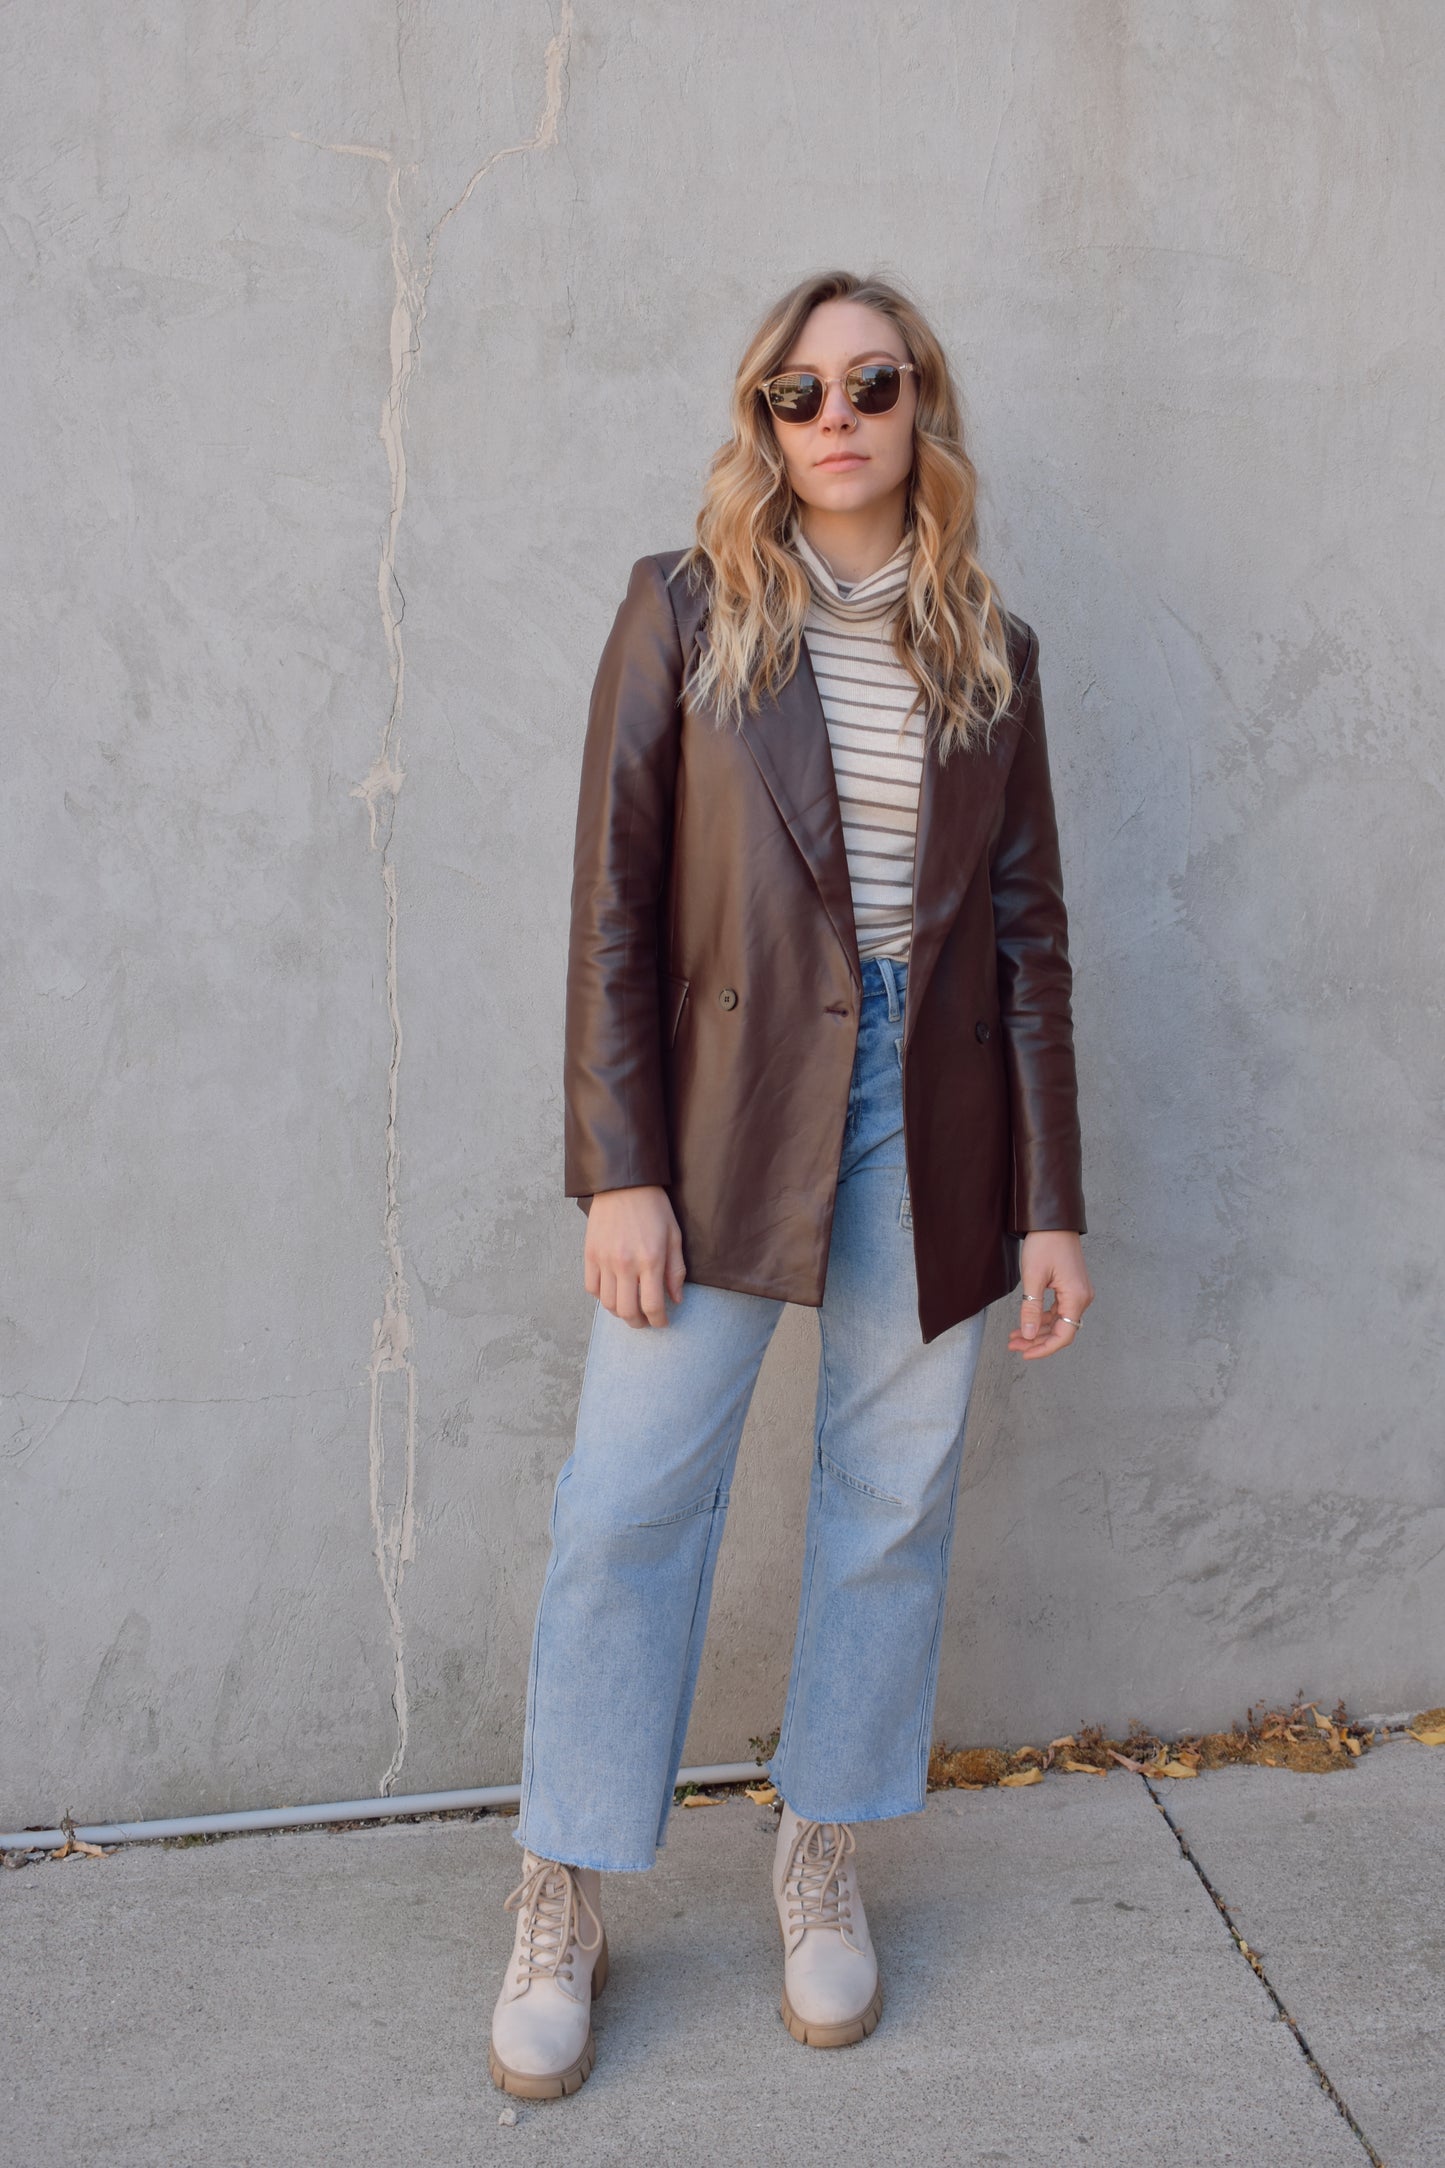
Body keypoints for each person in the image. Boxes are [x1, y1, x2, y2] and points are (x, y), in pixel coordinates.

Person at [489, 268, 1093, 2099]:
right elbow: (612, 903)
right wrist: (621, 1168)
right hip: (733, 1094)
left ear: (923, 409)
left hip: (936, 1088)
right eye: (793, 392)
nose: (831, 418)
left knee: (890, 1495)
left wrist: (1050, 1195)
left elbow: (1026, 934)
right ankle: (563, 1883)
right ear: (760, 422)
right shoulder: (681, 611)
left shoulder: (990, 644)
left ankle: (820, 1845)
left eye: (869, 383)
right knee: (630, 1500)